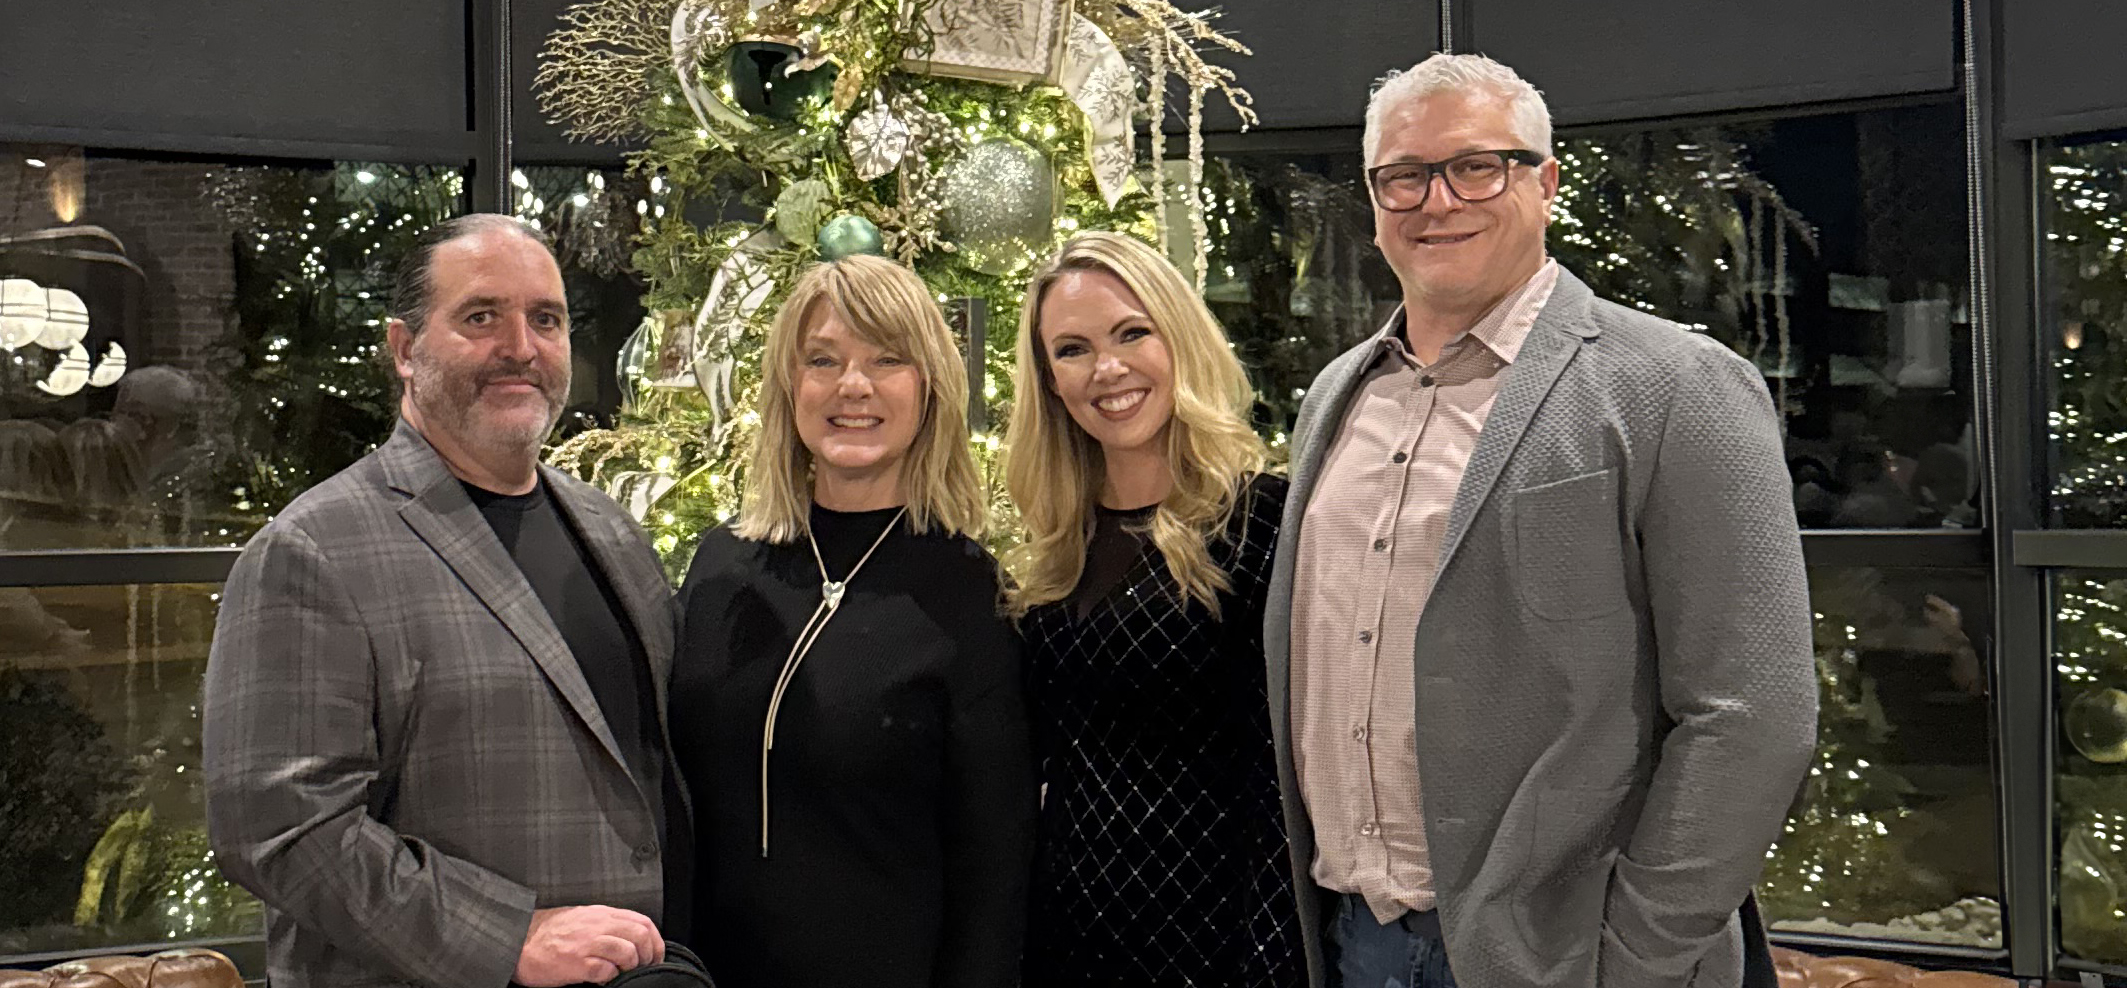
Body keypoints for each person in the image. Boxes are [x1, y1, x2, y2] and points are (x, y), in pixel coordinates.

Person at [1265, 54, 1818, 988]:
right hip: (1356, 940)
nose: (1436, 200)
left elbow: (1753, 715)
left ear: (1546, 182)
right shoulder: (1335, 397)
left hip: (1569, 955)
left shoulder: (1673, 385)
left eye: (1477, 165)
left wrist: (1638, 955)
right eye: (1402, 176)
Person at [203, 214, 690, 988]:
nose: (521, 348)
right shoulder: (313, 551)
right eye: (480, 317)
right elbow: (279, 828)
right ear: (404, 349)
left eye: (546, 319)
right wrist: (507, 938)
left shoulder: (613, 533)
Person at [670, 254, 1033, 988]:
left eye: (886, 360)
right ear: (788, 386)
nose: (853, 386)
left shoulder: (969, 593)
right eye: (823, 360)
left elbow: (993, 868)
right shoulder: (719, 566)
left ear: (928, 386)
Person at [1005, 231, 1300, 987]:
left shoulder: (1265, 523)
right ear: (1048, 381)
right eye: (1071, 349)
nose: (1107, 369)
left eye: (1131, 333)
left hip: (1225, 938)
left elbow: (1284, 777)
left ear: (1179, 337)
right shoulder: (1050, 551)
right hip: (1066, 937)